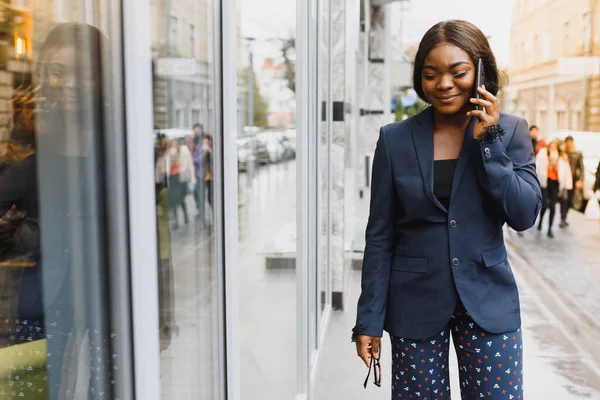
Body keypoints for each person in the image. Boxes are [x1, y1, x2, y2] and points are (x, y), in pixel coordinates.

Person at [352, 20, 542, 399]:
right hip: (414, 303)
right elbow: (380, 236)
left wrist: (490, 141)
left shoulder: (511, 129)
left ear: (481, 72)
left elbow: (523, 215)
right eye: (430, 74)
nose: (443, 84)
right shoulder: (394, 140)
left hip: (488, 302)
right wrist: (368, 321)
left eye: (459, 73)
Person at [536, 139, 572, 237]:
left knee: (553, 206)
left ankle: (550, 229)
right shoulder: (543, 155)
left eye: (554, 146)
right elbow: (538, 167)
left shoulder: (561, 158)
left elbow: (566, 172)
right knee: (544, 206)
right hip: (545, 183)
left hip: (555, 184)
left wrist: (567, 185)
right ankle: (540, 222)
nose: (552, 148)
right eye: (551, 146)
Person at [560, 135, 584, 225]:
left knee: (570, 199)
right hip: (564, 179)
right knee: (563, 199)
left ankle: (565, 216)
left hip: (573, 179)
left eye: (570, 142)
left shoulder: (577, 153)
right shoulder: (563, 152)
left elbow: (581, 168)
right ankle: (562, 217)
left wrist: (580, 180)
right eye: (567, 142)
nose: (569, 144)